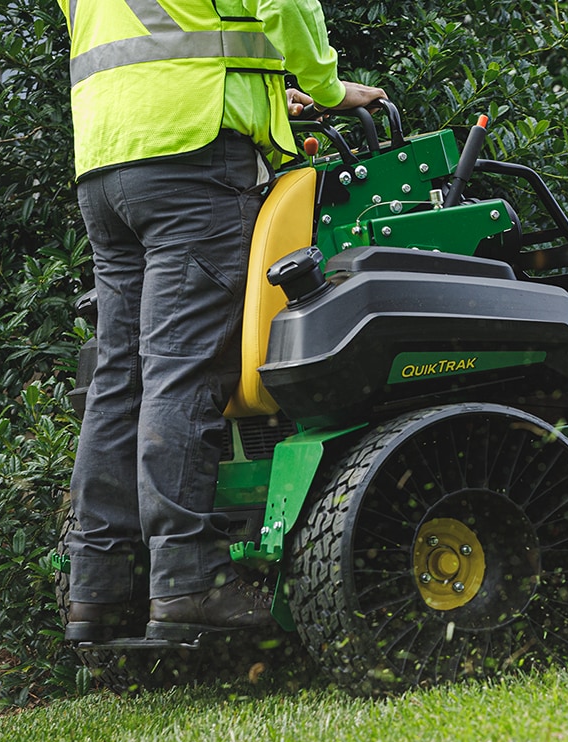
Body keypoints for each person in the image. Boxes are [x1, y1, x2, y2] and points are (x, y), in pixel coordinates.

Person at [58, 0, 386, 643]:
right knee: (181, 369)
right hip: (191, 159)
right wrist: (326, 87)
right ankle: (188, 583)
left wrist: (265, 100)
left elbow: (172, 42)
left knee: (120, 380)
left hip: (106, 161)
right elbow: (283, 6)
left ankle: (100, 588)